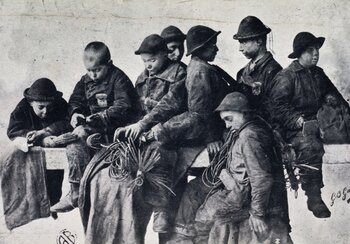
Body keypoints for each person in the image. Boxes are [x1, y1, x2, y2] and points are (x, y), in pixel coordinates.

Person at [50, 41, 138, 213]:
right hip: (93, 127)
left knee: (82, 136)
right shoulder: (85, 81)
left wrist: (100, 117)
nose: (93, 74)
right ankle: (76, 191)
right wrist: (75, 113)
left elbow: (124, 106)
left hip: (116, 129)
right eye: (89, 70)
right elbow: (75, 101)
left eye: (97, 70)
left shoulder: (119, 78)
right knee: (74, 143)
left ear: (109, 64)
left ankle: (86, 189)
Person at [193, 92, 291, 244]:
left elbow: (261, 178)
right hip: (241, 193)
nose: (227, 125)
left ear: (244, 113)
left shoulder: (249, 136)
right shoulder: (250, 130)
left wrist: (257, 214)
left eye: (229, 119)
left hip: (244, 198)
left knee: (202, 217)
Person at [269, 32, 348, 218]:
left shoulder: (318, 73)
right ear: (300, 53)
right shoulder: (286, 76)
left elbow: (333, 94)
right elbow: (277, 107)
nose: (316, 54)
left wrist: (332, 100)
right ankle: (314, 196)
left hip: (317, 120)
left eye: (317, 50)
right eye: (310, 50)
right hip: (292, 128)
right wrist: (298, 121)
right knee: (310, 146)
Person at [116, 34, 187, 233]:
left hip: (171, 130)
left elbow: (171, 104)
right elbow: (137, 109)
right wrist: (131, 127)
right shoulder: (142, 78)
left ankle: (161, 209)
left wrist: (143, 124)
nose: (148, 65)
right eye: (145, 61)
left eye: (153, 60)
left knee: (157, 152)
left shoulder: (179, 73)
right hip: (145, 130)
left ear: (166, 54)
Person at [2, 78, 71, 229]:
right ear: (31, 102)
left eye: (49, 107)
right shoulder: (22, 108)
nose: (46, 111)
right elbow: (13, 131)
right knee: (29, 177)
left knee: (54, 180)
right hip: (33, 150)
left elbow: (68, 122)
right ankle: (30, 212)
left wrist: (50, 131)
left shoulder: (60, 104)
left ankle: (52, 208)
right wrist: (37, 138)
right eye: (41, 107)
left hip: (56, 148)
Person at [233, 16, 282, 121]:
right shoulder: (242, 72)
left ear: (259, 41)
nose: (240, 48)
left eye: (244, 42)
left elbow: (275, 110)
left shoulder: (274, 71)